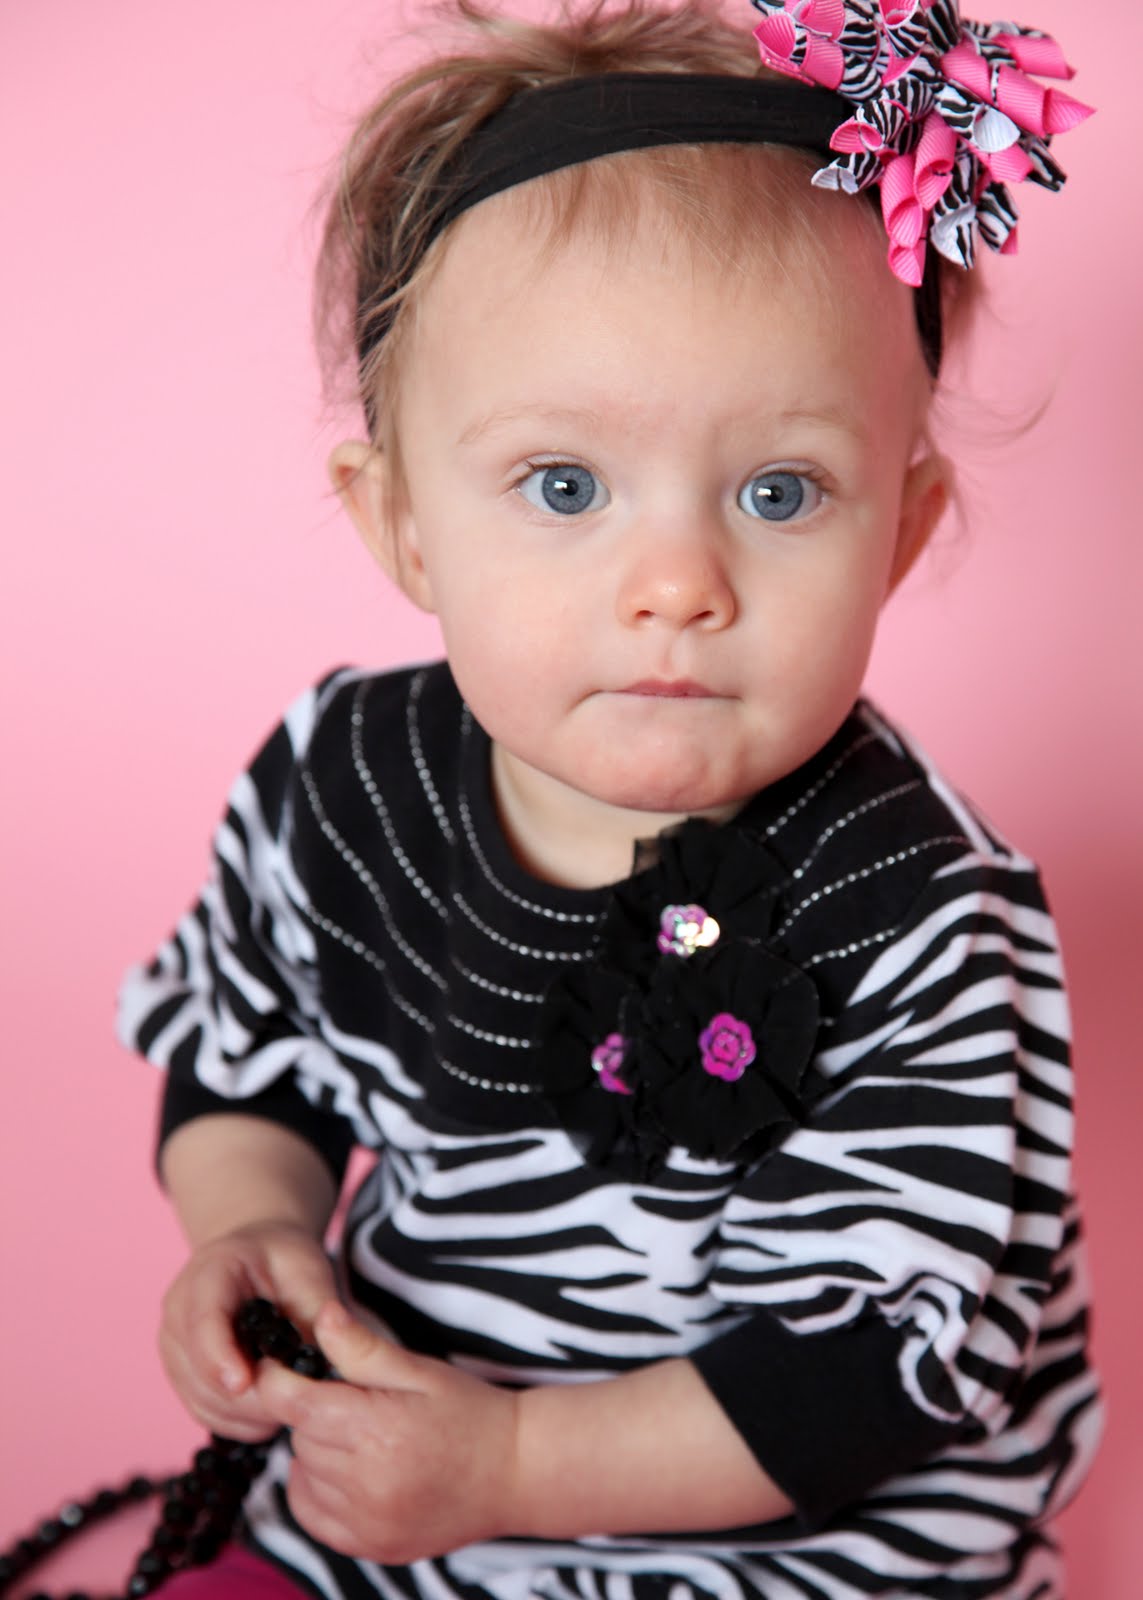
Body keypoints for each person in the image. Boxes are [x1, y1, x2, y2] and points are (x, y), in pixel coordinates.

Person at [116, 2, 1103, 1596]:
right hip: (404, 1479)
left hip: (802, 1540)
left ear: (903, 531)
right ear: (404, 523)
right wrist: (256, 1233)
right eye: (565, 487)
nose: (677, 584)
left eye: (779, 491)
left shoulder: (913, 905)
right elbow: (252, 1054)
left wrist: (511, 1469)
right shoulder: (345, 780)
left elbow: (871, 1374)